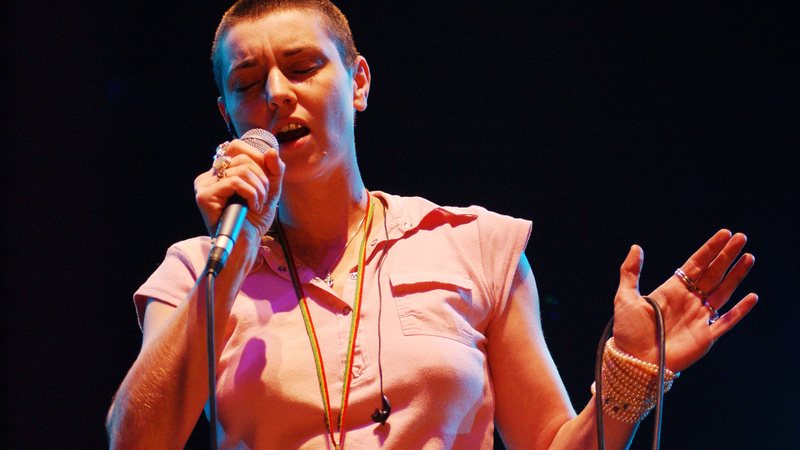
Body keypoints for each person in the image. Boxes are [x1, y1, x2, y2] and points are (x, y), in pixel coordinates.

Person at [105, 1, 758, 448]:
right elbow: (133, 442)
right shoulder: (197, 269)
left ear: (358, 82)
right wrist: (237, 253)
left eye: (303, 67)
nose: (276, 94)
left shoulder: (472, 245)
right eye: (249, 82)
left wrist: (629, 374)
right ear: (226, 112)